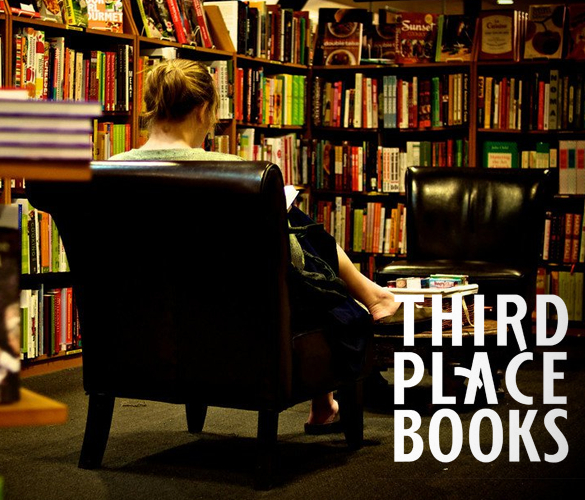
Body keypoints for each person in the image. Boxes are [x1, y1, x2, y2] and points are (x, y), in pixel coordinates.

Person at [109, 59, 412, 433]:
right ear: (203, 110)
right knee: (312, 264)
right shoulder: (232, 173)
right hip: (234, 316)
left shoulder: (109, 172)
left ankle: (338, 375)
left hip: (139, 321)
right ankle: (369, 304)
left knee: (298, 241)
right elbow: (292, 261)